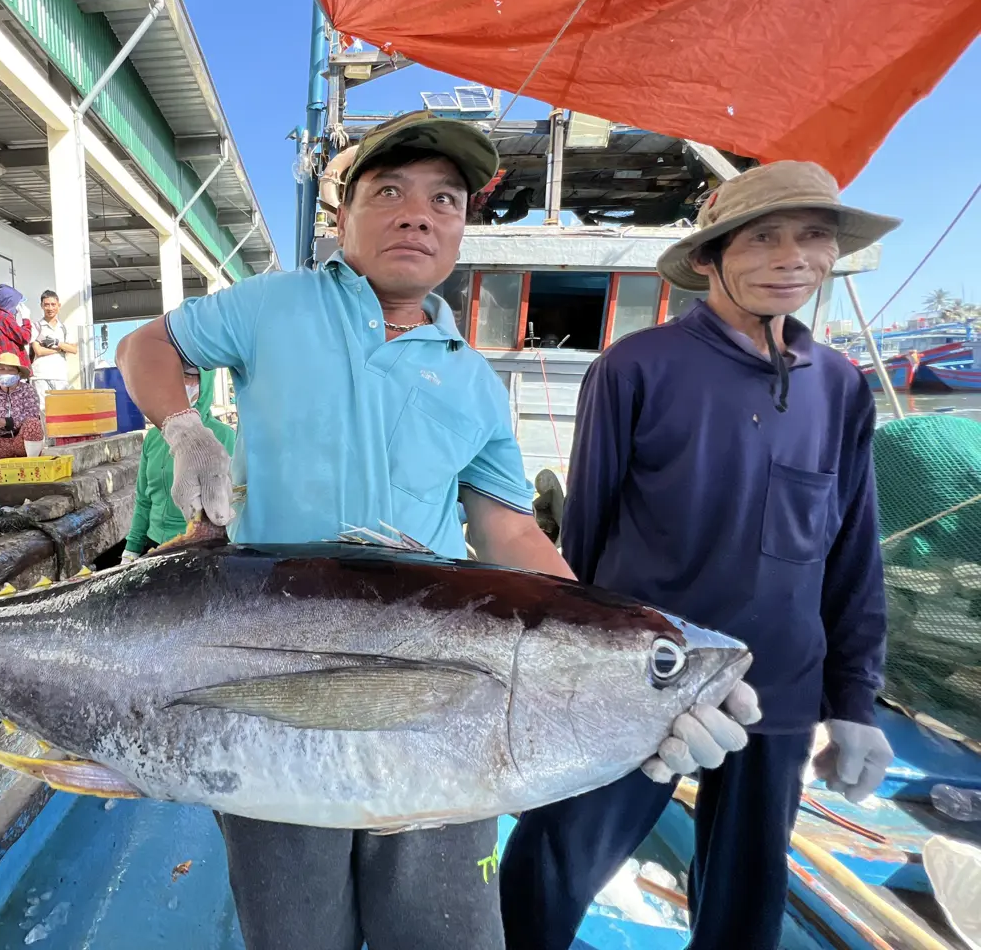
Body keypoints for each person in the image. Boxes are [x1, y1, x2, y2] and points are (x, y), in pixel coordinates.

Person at [116, 109, 758, 950]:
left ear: (460, 228)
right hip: (276, 662)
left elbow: (510, 537)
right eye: (390, 191)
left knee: (442, 930)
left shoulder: (476, 382)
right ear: (343, 218)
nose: (418, 213)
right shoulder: (276, 305)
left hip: (434, 693)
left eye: (445, 200)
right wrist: (182, 426)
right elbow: (146, 347)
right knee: (295, 927)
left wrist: (634, 666)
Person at [496, 160, 898, 950]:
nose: (793, 257)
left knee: (747, 900)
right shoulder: (635, 367)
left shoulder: (842, 386)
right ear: (712, 256)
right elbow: (586, 544)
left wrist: (854, 702)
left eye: (814, 236)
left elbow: (851, 550)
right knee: (550, 868)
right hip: (642, 678)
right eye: (763, 238)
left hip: (780, 686)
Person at [121, 367, 234, 563]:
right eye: (175, 374)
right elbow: (144, 499)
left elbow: (234, 499)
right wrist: (131, 549)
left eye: (191, 376)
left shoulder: (225, 435)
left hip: (199, 550)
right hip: (153, 546)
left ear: (206, 382)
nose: (181, 382)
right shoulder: (154, 436)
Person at [29, 289, 75, 404]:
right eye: (46, 305)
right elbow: (38, 351)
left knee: (62, 410)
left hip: (60, 376)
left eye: (53, 304)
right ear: (42, 306)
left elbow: (74, 349)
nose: (50, 308)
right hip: (40, 375)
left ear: (58, 306)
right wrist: (61, 349)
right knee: (43, 410)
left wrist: (57, 343)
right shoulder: (36, 326)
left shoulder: (64, 328)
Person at [0, 284, 34, 370]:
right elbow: (25, 337)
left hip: (7, 367)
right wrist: (26, 319)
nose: (18, 308)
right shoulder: (5, 317)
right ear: (11, 302)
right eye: (18, 303)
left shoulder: (1, 316)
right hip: (11, 368)